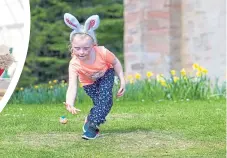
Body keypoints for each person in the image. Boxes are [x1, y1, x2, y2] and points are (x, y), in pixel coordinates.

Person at [63, 13, 125, 140]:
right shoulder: (74, 64)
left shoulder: (102, 52)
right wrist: (70, 102)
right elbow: (72, 86)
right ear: (72, 47)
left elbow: (116, 62)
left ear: (93, 45)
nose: (81, 52)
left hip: (106, 74)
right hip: (88, 83)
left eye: (86, 48)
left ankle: (92, 127)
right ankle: (90, 118)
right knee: (104, 104)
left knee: (105, 98)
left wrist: (122, 81)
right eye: (77, 48)